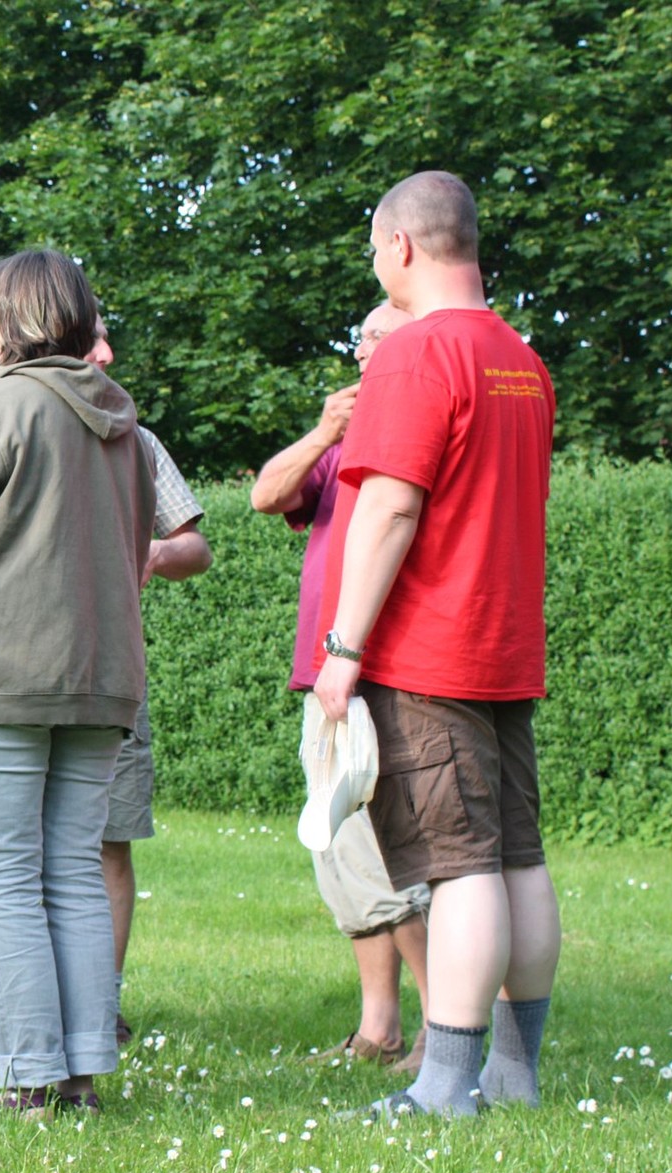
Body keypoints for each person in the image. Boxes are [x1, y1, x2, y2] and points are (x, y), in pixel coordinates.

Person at [314, 171, 559, 1119]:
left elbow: (388, 506)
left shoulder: (413, 358)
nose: (378, 267)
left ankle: (445, 1086)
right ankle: (513, 1070)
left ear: (403, 247)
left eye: (375, 250)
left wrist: (342, 644)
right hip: (502, 645)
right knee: (517, 858)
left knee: (458, 865)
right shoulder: (521, 360)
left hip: (427, 652)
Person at [0, 249, 155, 1119]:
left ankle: (28, 1078)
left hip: (5, 674)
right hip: (102, 675)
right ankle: (79, 1074)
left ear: (8, 322)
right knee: (74, 875)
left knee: (8, 881)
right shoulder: (122, 422)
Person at [0, 317, 211, 1050]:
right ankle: (67, 1042)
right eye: (92, 339)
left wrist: (146, 549)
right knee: (56, 865)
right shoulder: (42, 419)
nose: (105, 354)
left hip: (46, 670)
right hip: (97, 673)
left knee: (80, 856)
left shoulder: (118, 432)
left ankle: (64, 1038)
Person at [250, 300, 433, 1073]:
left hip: (388, 668)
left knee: (397, 859)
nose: (364, 354)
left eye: (381, 340)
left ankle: (443, 1030)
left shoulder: (420, 426)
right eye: (360, 340)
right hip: (325, 675)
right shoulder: (345, 437)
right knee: (341, 851)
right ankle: (378, 1026)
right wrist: (324, 431)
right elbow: (265, 494)